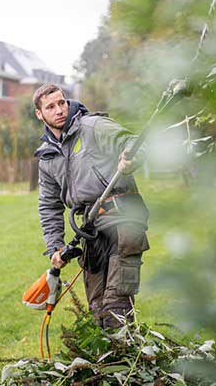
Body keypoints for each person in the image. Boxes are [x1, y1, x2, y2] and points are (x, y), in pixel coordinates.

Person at [33, 84, 149, 328]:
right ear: (39, 114)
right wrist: (55, 246)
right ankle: (113, 362)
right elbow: (49, 206)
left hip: (122, 218)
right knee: (97, 311)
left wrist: (131, 158)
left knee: (116, 306)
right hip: (91, 231)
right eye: (50, 107)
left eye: (61, 102)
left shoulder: (92, 126)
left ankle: (124, 362)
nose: (59, 110)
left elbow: (131, 142)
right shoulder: (47, 156)